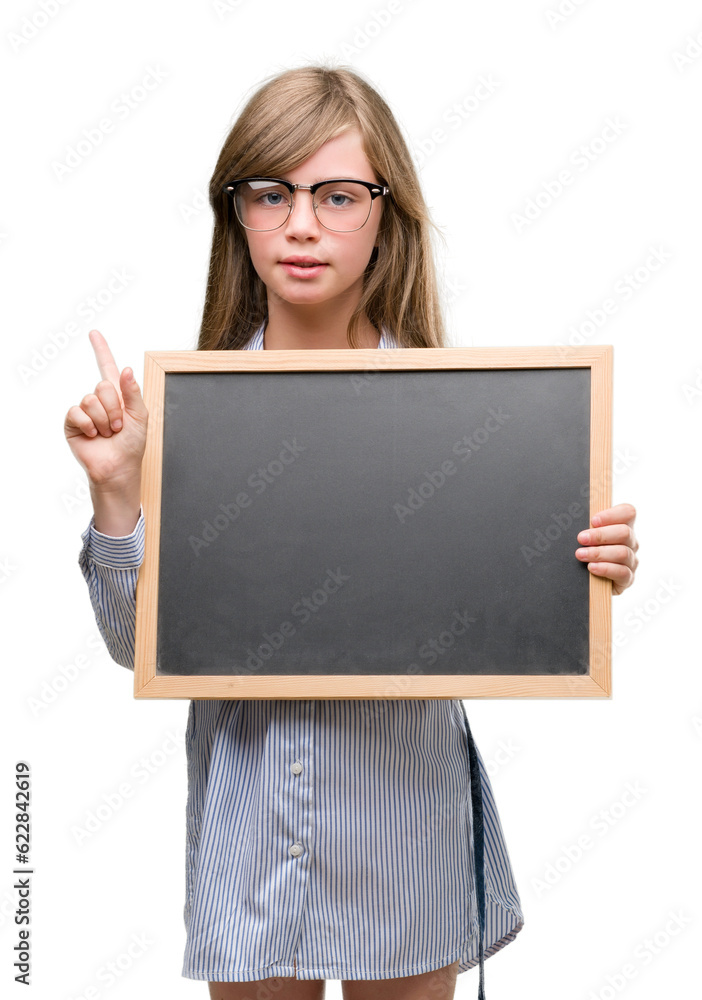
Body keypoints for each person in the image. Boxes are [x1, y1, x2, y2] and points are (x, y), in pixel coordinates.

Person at [64, 65, 640, 1000]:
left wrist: (580, 571)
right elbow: (138, 647)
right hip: (252, 838)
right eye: (271, 194)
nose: (301, 225)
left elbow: (513, 614)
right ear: (236, 215)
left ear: (385, 213)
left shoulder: (468, 423)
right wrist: (117, 493)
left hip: (404, 832)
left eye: (337, 196)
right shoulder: (180, 421)